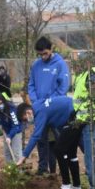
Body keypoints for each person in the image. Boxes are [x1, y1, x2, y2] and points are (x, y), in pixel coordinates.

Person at [16, 96, 81, 189]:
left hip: (73, 116)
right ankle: (76, 187)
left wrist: (23, 156)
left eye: (25, 119)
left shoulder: (40, 113)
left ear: (28, 112)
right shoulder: (37, 105)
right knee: (71, 152)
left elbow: (36, 136)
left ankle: (66, 185)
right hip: (72, 114)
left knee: (59, 150)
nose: (27, 122)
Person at [27, 36, 70, 175]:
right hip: (41, 109)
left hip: (55, 109)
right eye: (40, 55)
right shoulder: (36, 65)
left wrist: (51, 102)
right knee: (41, 139)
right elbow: (31, 85)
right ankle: (42, 169)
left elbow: (63, 87)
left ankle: (57, 169)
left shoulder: (60, 64)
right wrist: (36, 101)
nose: (43, 57)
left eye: (45, 53)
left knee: (58, 140)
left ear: (51, 49)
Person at [0, 93, 25, 162]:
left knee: (16, 152)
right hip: (6, 131)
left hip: (16, 131)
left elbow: (15, 126)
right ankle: (10, 169)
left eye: (1, 103)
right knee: (7, 152)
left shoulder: (11, 109)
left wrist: (9, 136)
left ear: (4, 101)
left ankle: (18, 170)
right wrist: (0, 124)